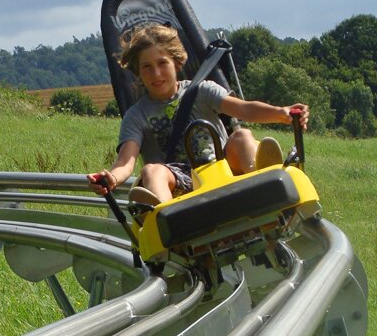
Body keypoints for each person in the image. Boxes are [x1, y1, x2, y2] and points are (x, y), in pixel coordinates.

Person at [87, 23, 309, 205]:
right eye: (146, 67)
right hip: (181, 184)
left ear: (176, 62)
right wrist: (112, 178)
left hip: (222, 168)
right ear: (138, 72)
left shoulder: (202, 90)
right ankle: (166, 218)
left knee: (242, 136)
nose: (156, 73)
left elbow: (244, 109)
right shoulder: (136, 115)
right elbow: (126, 161)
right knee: (152, 171)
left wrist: (282, 113)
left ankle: (265, 189)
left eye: (162, 63)